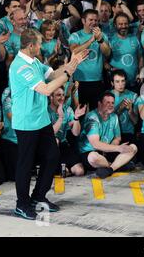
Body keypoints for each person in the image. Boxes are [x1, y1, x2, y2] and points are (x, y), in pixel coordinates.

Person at [10, 28, 87, 220]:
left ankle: (38, 197)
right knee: (25, 165)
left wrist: (72, 64)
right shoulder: (21, 67)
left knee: (52, 156)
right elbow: (46, 89)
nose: (42, 46)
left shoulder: (34, 61)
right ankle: (22, 204)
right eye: (39, 44)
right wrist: (68, 74)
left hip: (41, 120)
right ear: (30, 46)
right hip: (26, 123)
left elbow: (53, 75)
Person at [78, 91, 138, 178]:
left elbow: (117, 138)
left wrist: (111, 148)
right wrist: (118, 148)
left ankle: (110, 169)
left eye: (113, 103)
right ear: (100, 104)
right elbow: (95, 144)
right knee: (93, 157)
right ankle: (118, 165)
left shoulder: (114, 117)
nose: (111, 105)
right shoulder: (92, 117)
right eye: (107, 102)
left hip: (107, 151)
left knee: (133, 147)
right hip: (90, 152)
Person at [69, 9, 111, 111]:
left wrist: (100, 40)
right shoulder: (75, 36)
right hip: (79, 81)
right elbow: (74, 51)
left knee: (96, 111)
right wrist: (91, 40)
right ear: (83, 21)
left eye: (96, 20)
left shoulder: (102, 36)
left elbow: (107, 53)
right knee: (79, 112)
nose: (94, 22)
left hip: (97, 81)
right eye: (91, 20)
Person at [48, 87, 86, 177]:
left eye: (63, 95)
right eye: (58, 95)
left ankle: (61, 168)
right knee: (55, 140)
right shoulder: (45, 111)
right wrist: (61, 117)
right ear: (51, 97)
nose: (61, 98)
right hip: (48, 147)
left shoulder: (68, 109)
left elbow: (76, 133)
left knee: (80, 171)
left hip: (63, 144)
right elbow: (50, 133)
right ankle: (57, 168)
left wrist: (76, 118)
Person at [107, 13, 143, 91]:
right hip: (117, 85)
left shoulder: (134, 39)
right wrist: (111, 69)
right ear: (115, 25)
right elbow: (104, 61)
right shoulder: (110, 41)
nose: (123, 26)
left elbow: (140, 57)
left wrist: (141, 73)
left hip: (134, 82)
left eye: (125, 24)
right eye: (120, 24)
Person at [110, 69, 138, 146]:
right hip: (112, 134)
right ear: (112, 83)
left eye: (123, 81)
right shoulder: (107, 96)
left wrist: (130, 111)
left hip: (128, 133)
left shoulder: (133, 96)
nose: (121, 84)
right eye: (117, 81)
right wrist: (119, 109)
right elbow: (106, 120)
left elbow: (135, 121)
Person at [0, 86, 17, 181]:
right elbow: (11, 117)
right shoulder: (7, 92)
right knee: (13, 176)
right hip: (10, 138)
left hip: (24, 138)